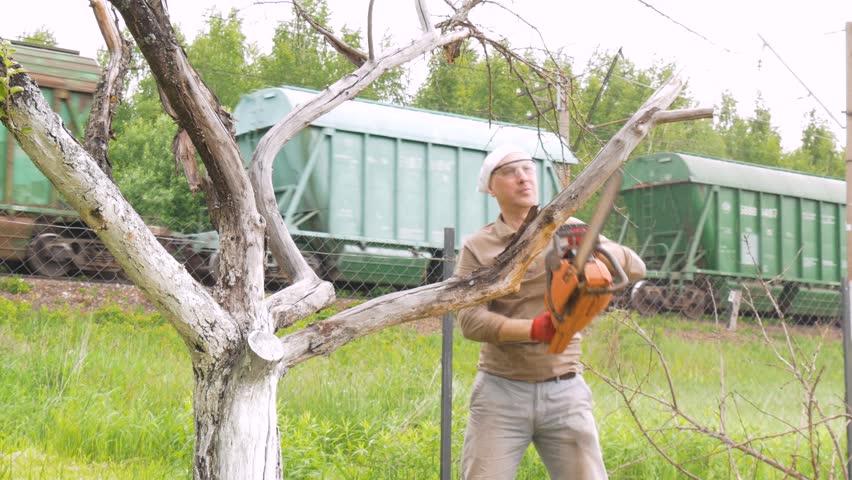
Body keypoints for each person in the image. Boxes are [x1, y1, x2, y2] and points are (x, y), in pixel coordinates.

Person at [456, 144, 646, 480]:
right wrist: (534, 329)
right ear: (491, 187)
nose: (522, 177)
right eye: (509, 172)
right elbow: (470, 321)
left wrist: (599, 251)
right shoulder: (478, 246)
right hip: (500, 394)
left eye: (527, 168)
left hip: (565, 391)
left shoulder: (569, 229)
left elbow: (637, 268)